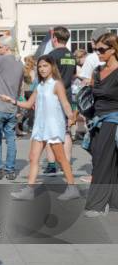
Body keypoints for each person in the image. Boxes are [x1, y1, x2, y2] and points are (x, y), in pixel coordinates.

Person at [0, 55, 79, 201]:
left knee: (61, 159)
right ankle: (29, 191)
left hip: (54, 126)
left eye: (45, 66)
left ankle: (72, 188)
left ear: (52, 67)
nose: (42, 69)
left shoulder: (57, 84)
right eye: (40, 66)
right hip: (40, 126)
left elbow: (65, 103)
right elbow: (29, 104)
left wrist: (71, 116)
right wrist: (12, 100)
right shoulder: (40, 86)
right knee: (33, 157)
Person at [84, 33, 118, 217]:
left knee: (103, 163)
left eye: (102, 50)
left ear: (113, 49)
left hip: (113, 122)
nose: (98, 53)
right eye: (95, 49)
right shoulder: (97, 70)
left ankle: (96, 205)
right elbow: (92, 95)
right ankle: (113, 203)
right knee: (101, 161)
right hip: (96, 122)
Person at [0, 36, 24, 180]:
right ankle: (10, 170)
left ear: (6, 47)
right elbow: (20, 86)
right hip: (12, 106)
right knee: (11, 139)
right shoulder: (19, 63)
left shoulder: (0, 60)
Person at [42, 26, 76, 174]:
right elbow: (73, 76)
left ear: (54, 39)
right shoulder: (71, 56)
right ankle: (66, 162)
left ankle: (51, 164)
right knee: (66, 131)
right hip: (67, 96)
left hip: (53, 96)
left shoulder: (52, 56)